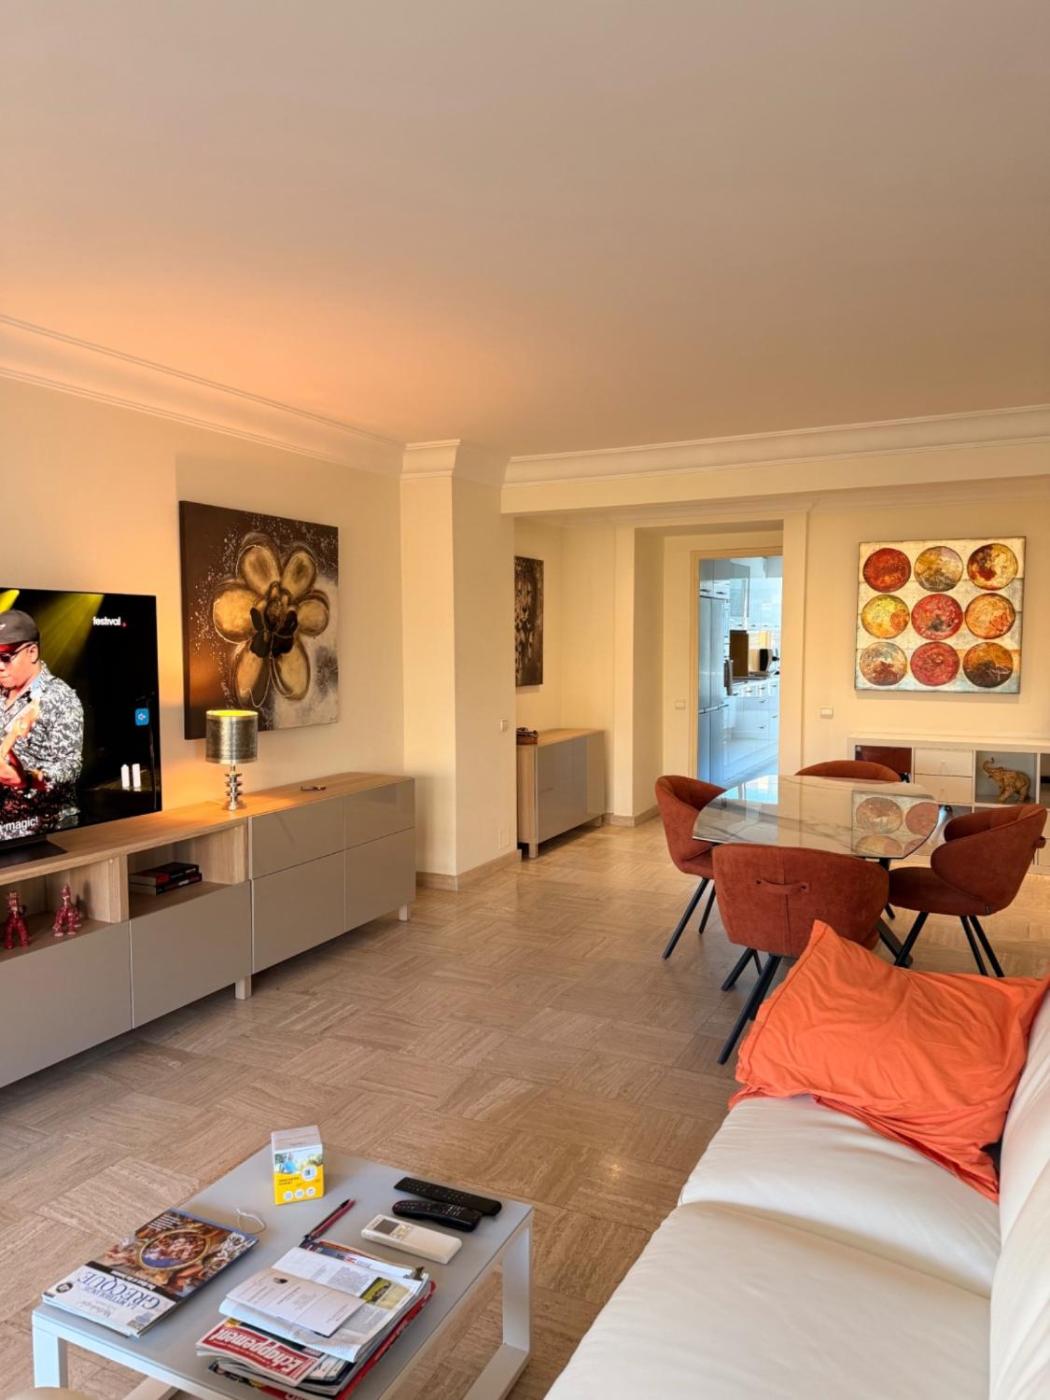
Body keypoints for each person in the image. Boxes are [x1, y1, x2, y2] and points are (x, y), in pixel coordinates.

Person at [0, 610, 84, 839]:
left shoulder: (60, 697)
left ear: (32, 652)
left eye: (6, 657)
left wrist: (27, 779)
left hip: (46, 831)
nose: (0, 666)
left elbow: (70, 766)